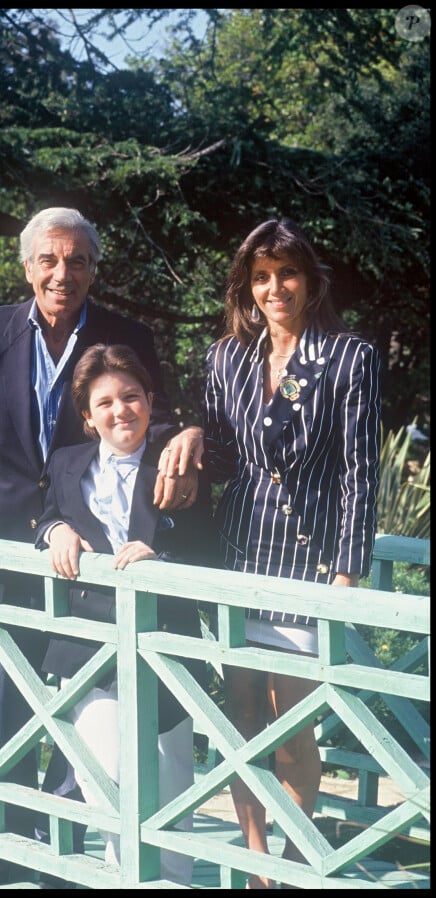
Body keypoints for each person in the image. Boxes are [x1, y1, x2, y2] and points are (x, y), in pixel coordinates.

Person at [0, 206, 204, 888]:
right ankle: (10, 842)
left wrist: (192, 435)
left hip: (100, 551)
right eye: (49, 260)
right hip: (14, 545)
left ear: (93, 269)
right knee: (8, 685)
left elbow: (148, 419)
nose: (63, 273)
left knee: (96, 690)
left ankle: (65, 829)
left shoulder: (124, 334)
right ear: (26, 267)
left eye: (78, 260)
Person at [203, 218, 381, 889]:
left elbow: (362, 470)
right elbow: (221, 453)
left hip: (307, 562)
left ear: (308, 279)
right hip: (239, 553)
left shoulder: (348, 357)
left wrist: (347, 570)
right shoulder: (227, 358)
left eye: (287, 273)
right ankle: (257, 869)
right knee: (243, 717)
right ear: (246, 287)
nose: (275, 288)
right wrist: (188, 438)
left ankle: (297, 861)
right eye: (261, 277)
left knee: (293, 724)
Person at [34, 343, 215, 886]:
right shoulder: (66, 462)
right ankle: (125, 876)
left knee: (169, 773)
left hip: (165, 641)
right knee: (103, 772)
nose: (122, 411)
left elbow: (209, 545)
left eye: (131, 397)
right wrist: (55, 531)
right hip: (89, 644)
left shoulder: (177, 461)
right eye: (106, 402)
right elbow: (43, 517)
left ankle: (175, 880)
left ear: (150, 401)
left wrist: (164, 558)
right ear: (88, 418)